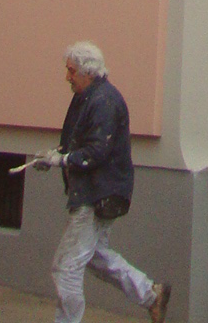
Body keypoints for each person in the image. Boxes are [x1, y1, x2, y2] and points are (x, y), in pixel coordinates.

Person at [30, 40, 172, 323]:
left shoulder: (103, 101)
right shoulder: (89, 97)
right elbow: (80, 143)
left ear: (88, 72)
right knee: (94, 256)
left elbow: (96, 152)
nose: (67, 77)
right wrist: (55, 156)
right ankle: (150, 294)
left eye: (71, 71)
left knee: (65, 268)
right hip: (98, 192)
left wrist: (60, 160)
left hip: (96, 195)